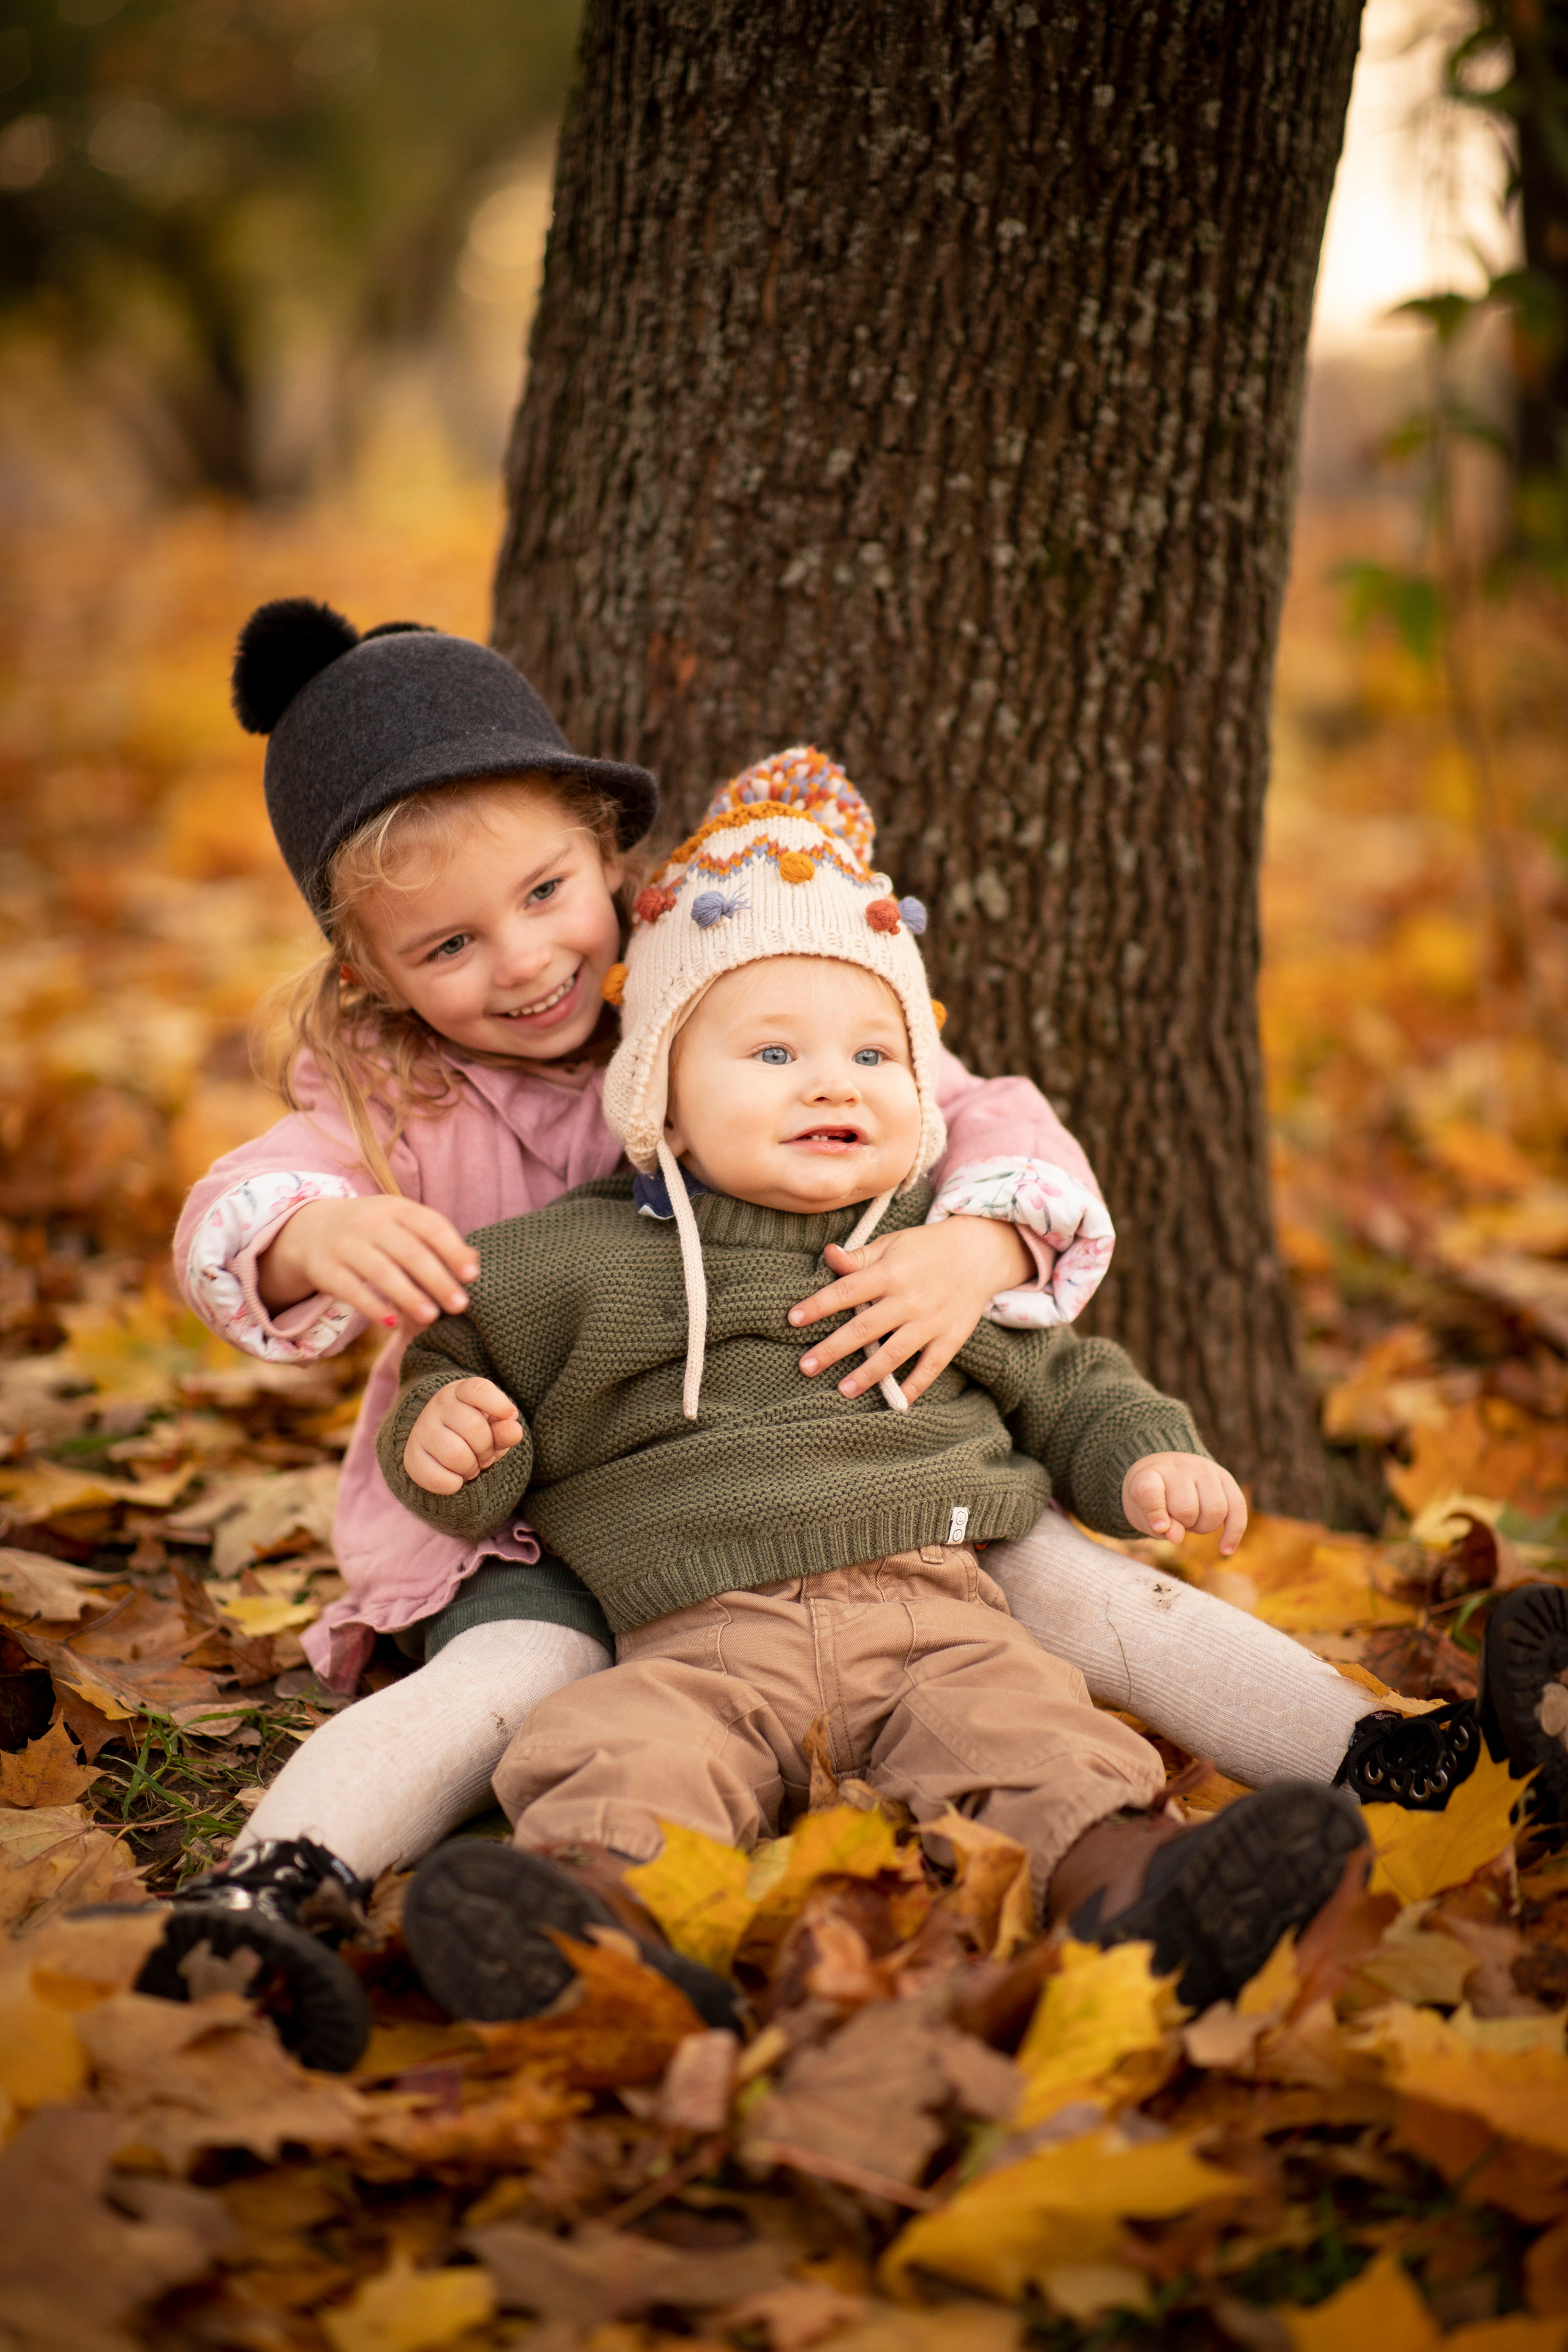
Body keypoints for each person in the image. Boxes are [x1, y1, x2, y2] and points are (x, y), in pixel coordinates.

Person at [138, 609, 1564, 2068]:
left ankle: (1397, 1764)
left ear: (605, 855)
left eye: (545, 891)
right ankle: (276, 1886)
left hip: (863, 1479)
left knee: (1064, 1586)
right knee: (520, 1690)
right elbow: (249, 1190)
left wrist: (977, 1240)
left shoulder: (721, 959)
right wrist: (312, 1234)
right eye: (447, 944)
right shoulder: (390, 1085)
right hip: (531, 1518)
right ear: (367, 971)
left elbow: (958, 1100)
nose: (521, 962)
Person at [380, 769, 1369, 2026]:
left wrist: (1142, 1460)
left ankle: (1138, 1893)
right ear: (660, 1100)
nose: (831, 1084)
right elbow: (458, 1383)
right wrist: (454, 1436)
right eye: (774, 1054)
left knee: (1035, 1740)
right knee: (619, 1752)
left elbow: (1064, 1377)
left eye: (871, 1054)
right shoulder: (565, 1264)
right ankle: (595, 1931)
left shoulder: (928, 1255)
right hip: (692, 1635)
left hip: (938, 1617)